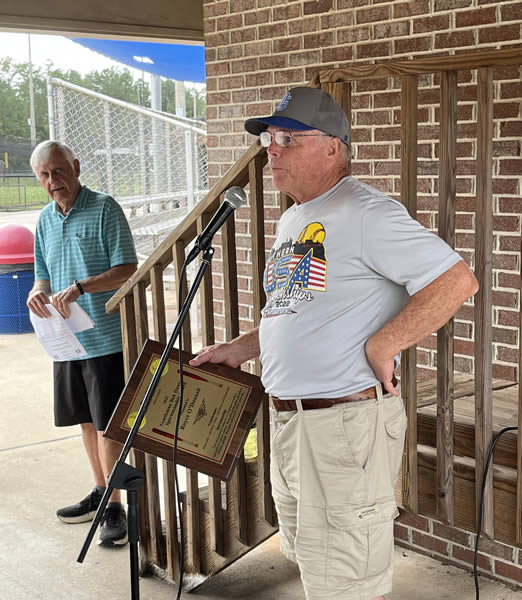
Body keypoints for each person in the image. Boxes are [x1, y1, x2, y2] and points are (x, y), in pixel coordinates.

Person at [190, 87, 479, 599]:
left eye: (288, 139)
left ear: (333, 147)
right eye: (268, 139)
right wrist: (243, 347)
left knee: (348, 583)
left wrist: (384, 345)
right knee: (317, 566)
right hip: (292, 423)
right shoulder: (294, 216)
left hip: (342, 425)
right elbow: (297, 308)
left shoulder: (367, 212)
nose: (272, 150)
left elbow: (456, 282)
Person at [27, 141, 138, 547]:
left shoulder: (105, 208)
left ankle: (115, 508)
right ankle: (100, 491)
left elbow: (127, 268)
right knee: (86, 421)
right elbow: (42, 273)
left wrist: (80, 287)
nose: (53, 181)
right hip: (65, 340)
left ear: (75, 166)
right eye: (44, 175)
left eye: (59, 170)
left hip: (105, 340)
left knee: (108, 425)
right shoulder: (44, 219)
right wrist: (37, 292)